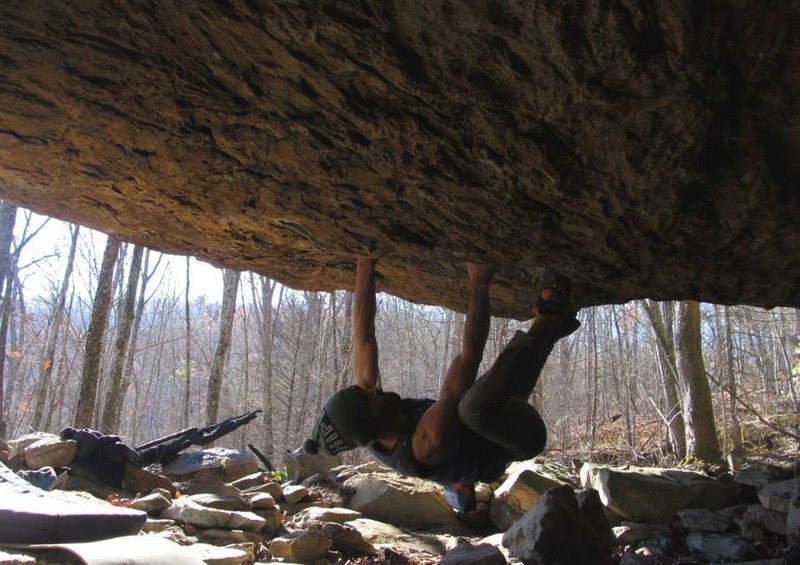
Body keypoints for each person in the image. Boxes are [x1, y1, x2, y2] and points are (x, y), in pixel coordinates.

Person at [302, 257, 580, 510]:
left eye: (363, 392)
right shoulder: (427, 442)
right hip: (519, 439)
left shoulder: (370, 413)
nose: (375, 389)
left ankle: (551, 330)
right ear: (371, 425)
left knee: (478, 408)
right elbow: (469, 356)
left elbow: (362, 335)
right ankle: (548, 317)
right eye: (369, 399)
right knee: (472, 407)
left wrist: (365, 264)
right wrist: (480, 280)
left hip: (499, 412)